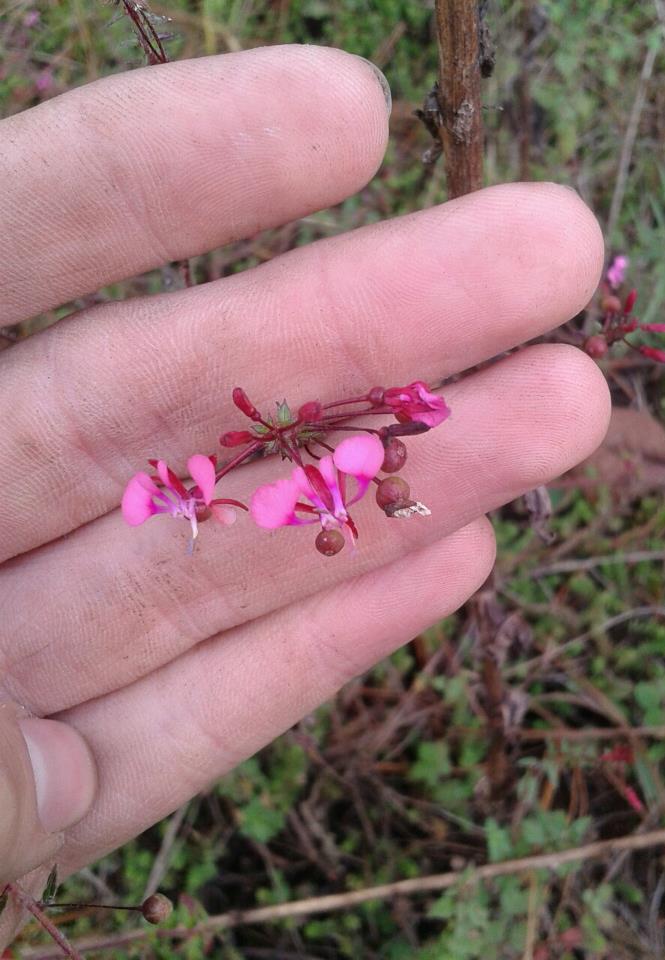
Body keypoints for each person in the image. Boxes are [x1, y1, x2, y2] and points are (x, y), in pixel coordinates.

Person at [0, 44, 610, 937]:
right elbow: (247, 483)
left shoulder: (343, 469)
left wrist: (338, 469)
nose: (337, 510)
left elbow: (319, 476)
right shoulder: (295, 478)